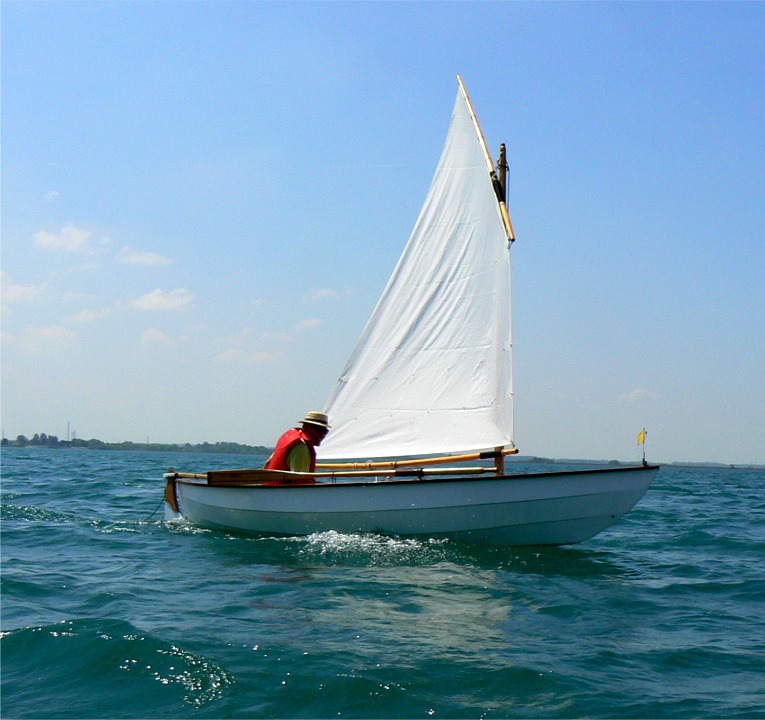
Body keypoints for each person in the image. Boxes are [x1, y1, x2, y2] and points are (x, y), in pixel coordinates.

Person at [264, 411, 330, 480]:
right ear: (305, 427)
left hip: (272, 488)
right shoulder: (301, 447)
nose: (322, 435)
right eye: (318, 430)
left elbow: (267, 465)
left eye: (325, 431)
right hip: (283, 490)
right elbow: (299, 481)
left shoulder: (290, 438)